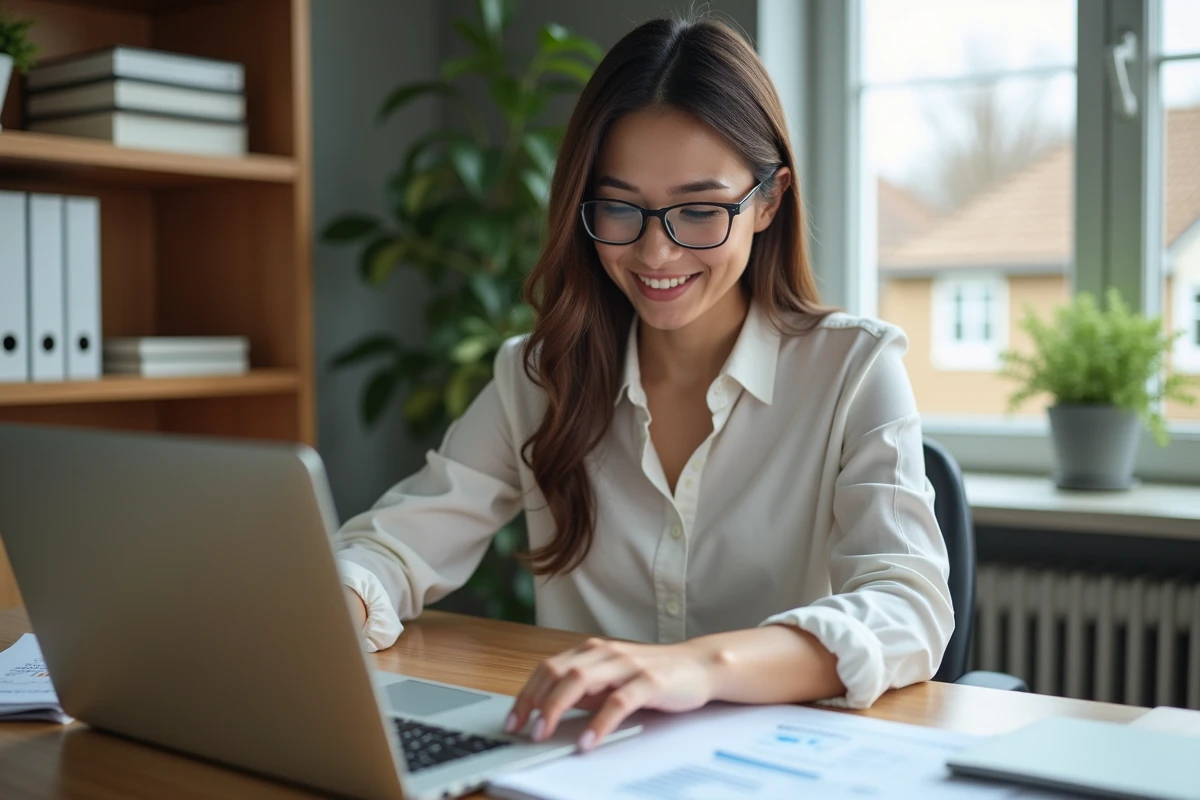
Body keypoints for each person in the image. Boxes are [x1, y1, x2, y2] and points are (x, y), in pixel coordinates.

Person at [336, 14, 953, 754]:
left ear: (768, 201)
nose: (655, 252)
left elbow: (907, 607)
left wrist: (698, 666)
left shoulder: (855, 368)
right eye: (620, 207)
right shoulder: (535, 378)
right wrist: (338, 599)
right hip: (578, 758)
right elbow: (393, 548)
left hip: (775, 766)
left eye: (699, 210)